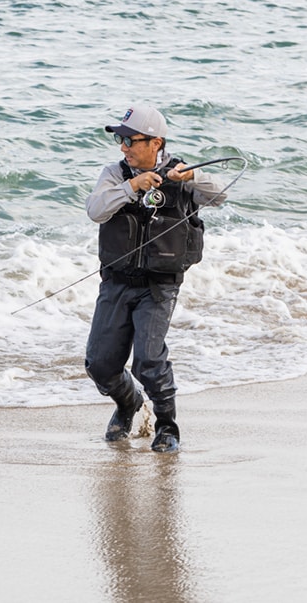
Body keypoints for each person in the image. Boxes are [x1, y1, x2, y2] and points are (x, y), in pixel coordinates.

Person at [84, 104, 228, 452]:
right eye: (120, 139)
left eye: (129, 140)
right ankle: (128, 403)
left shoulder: (182, 173)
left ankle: (167, 425)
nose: (123, 147)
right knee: (100, 366)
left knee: (149, 361)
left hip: (160, 286)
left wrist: (190, 177)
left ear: (155, 142)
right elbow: (95, 210)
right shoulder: (116, 174)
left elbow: (221, 195)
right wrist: (132, 186)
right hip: (116, 281)